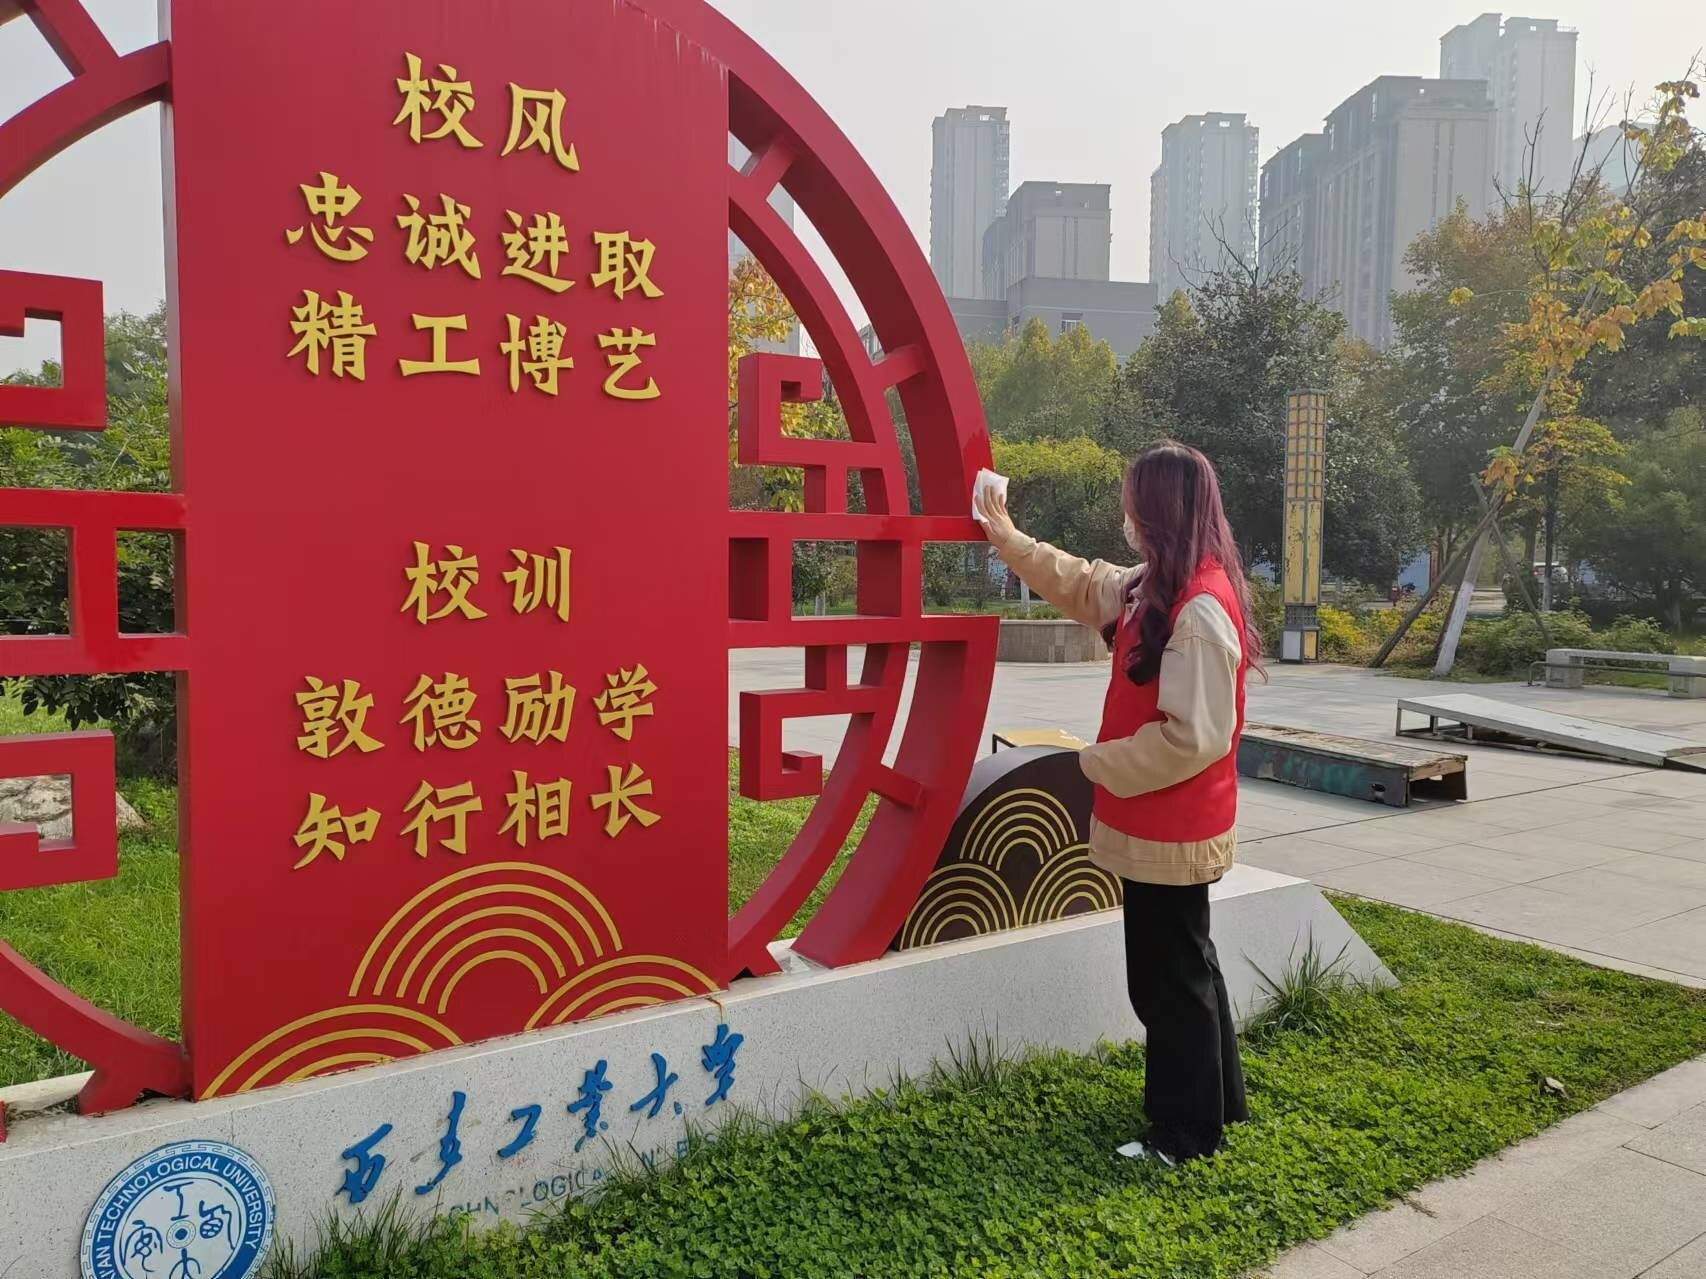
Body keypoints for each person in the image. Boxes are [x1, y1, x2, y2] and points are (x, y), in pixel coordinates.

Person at [974, 441, 1261, 1166]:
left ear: (1159, 511)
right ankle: (1219, 1102)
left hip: (1173, 826)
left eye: (1133, 502)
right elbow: (1082, 582)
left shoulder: (1197, 608)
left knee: (1168, 983)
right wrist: (1009, 538)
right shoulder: (1154, 586)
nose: (1125, 515)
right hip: (1164, 824)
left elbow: (1192, 737)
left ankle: (1184, 1133)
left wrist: (1094, 760)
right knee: (1189, 966)